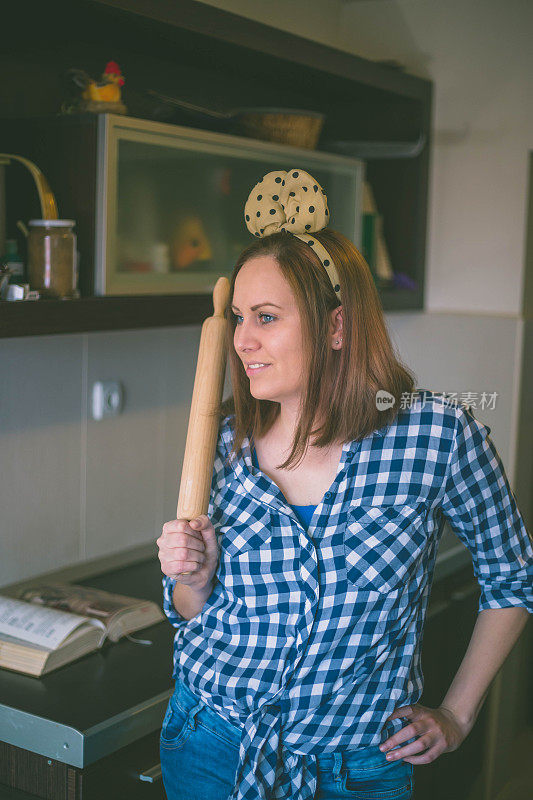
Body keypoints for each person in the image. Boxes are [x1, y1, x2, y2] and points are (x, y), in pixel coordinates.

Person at [156, 169, 532, 800]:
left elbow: (513, 575)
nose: (241, 341)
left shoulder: (435, 436)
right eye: (239, 316)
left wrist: (458, 713)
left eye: (267, 317)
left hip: (356, 769)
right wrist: (190, 579)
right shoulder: (225, 442)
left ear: (334, 327)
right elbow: (192, 612)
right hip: (209, 742)